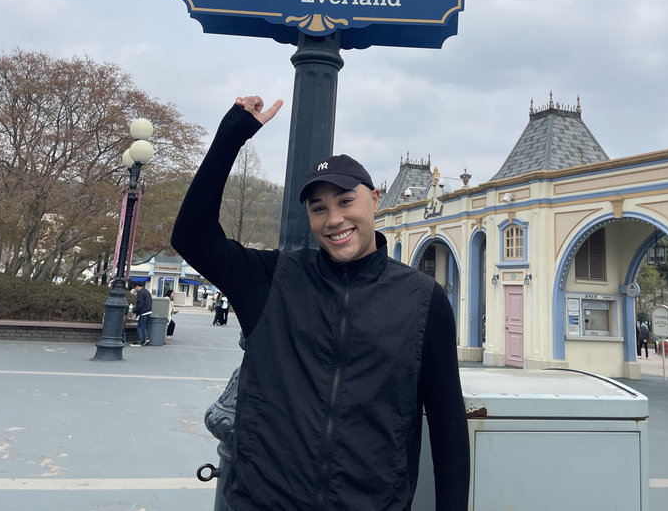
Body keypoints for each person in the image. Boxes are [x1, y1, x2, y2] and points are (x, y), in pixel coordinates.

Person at [171, 95, 469, 511]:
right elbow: (191, 237)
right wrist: (233, 133)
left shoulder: (423, 300)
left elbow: (447, 423)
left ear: (374, 199)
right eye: (319, 208)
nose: (334, 219)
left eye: (346, 201)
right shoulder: (273, 280)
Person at [132, 281, 152, 346]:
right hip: (149, 311)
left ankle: (140, 340)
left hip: (143, 312)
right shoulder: (147, 291)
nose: (135, 289)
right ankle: (145, 338)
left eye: (135, 288)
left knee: (140, 327)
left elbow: (140, 303)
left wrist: (135, 311)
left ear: (137, 286)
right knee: (144, 326)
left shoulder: (140, 292)